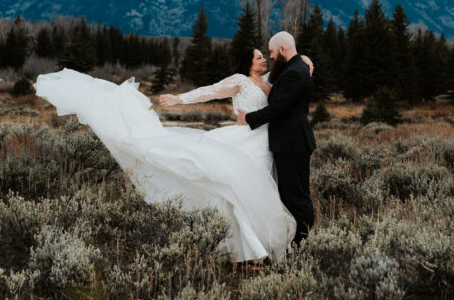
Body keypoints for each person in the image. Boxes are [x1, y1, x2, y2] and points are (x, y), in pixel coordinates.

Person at [34, 46, 297, 263]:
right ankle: (246, 252)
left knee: (257, 194)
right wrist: (179, 99)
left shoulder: (271, 84)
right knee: (233, 191)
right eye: (259, 56)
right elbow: (209, 91)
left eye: (265, 56)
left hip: (263, 143)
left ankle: (258, 247)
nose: (264, 59)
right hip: (242, 141)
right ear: (248, 63)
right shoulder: (240, 81)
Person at [236, 31, 315, 245]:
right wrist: (305, 58)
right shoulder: (294, 68)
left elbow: (278, 108)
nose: (269, 57)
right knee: (289, 195)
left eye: (271, 52)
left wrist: (248, 118)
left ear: (282, 50)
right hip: (289, 142)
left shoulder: (294, 73)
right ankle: (294, 242)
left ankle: (302, 244)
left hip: (293, 142)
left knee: (297, 197)